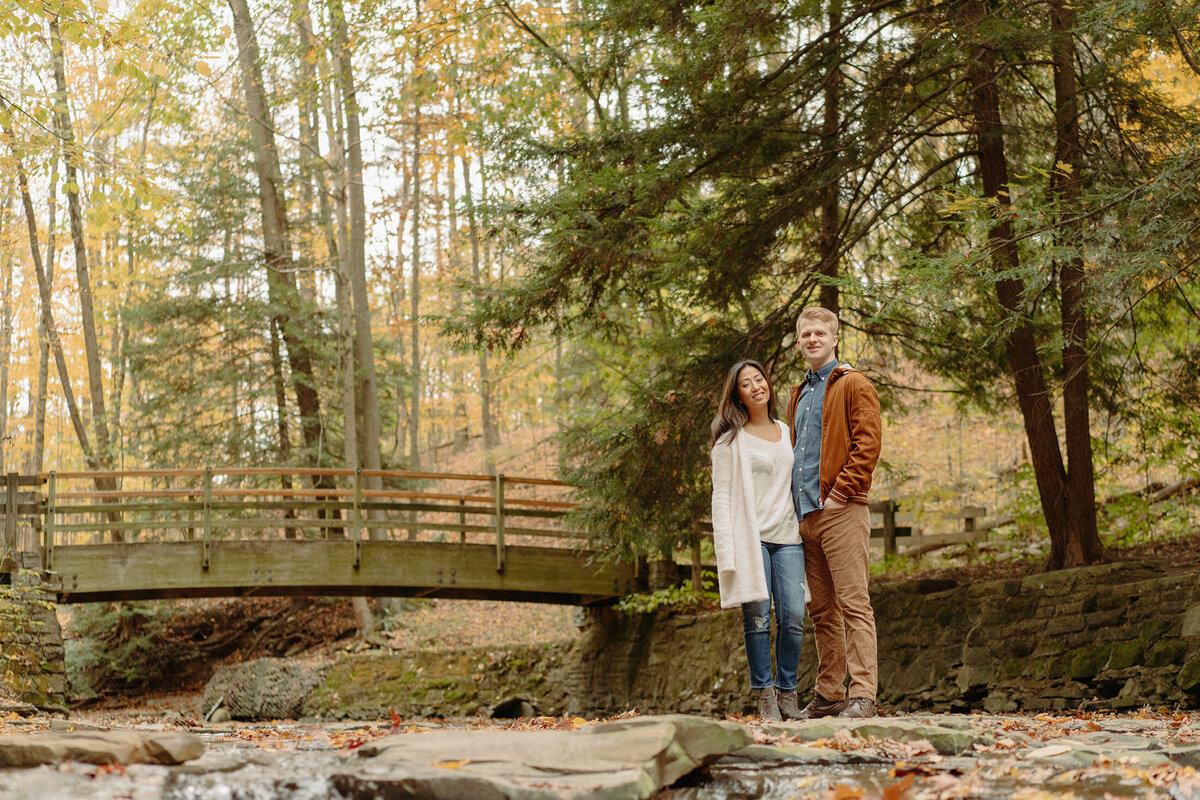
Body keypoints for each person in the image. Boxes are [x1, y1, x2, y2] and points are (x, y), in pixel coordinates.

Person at [787, 307, 883, 719]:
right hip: (805, 516)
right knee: (822, 611)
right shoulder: (799, 393)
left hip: (841, 511)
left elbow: (868, 442)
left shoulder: (853, 383)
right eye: (806, 334)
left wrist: (843, 492)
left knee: (854, 603)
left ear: (834, 338)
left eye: (820, 333)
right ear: (798, 342)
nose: (813, 339)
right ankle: (829, 694)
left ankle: (863, 694)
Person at [710, 359, 808, 722]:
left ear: (768, 384)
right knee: (757, 619)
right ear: (737, 395)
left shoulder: (786, 430)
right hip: (752, 540)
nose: (755, 386)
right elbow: (720, 498)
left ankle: (787, 694)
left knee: (793, 616)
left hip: (788, 537)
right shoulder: (729, 442)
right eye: (746, 384)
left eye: (759, 379)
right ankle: (765, 696)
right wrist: (726, 553)